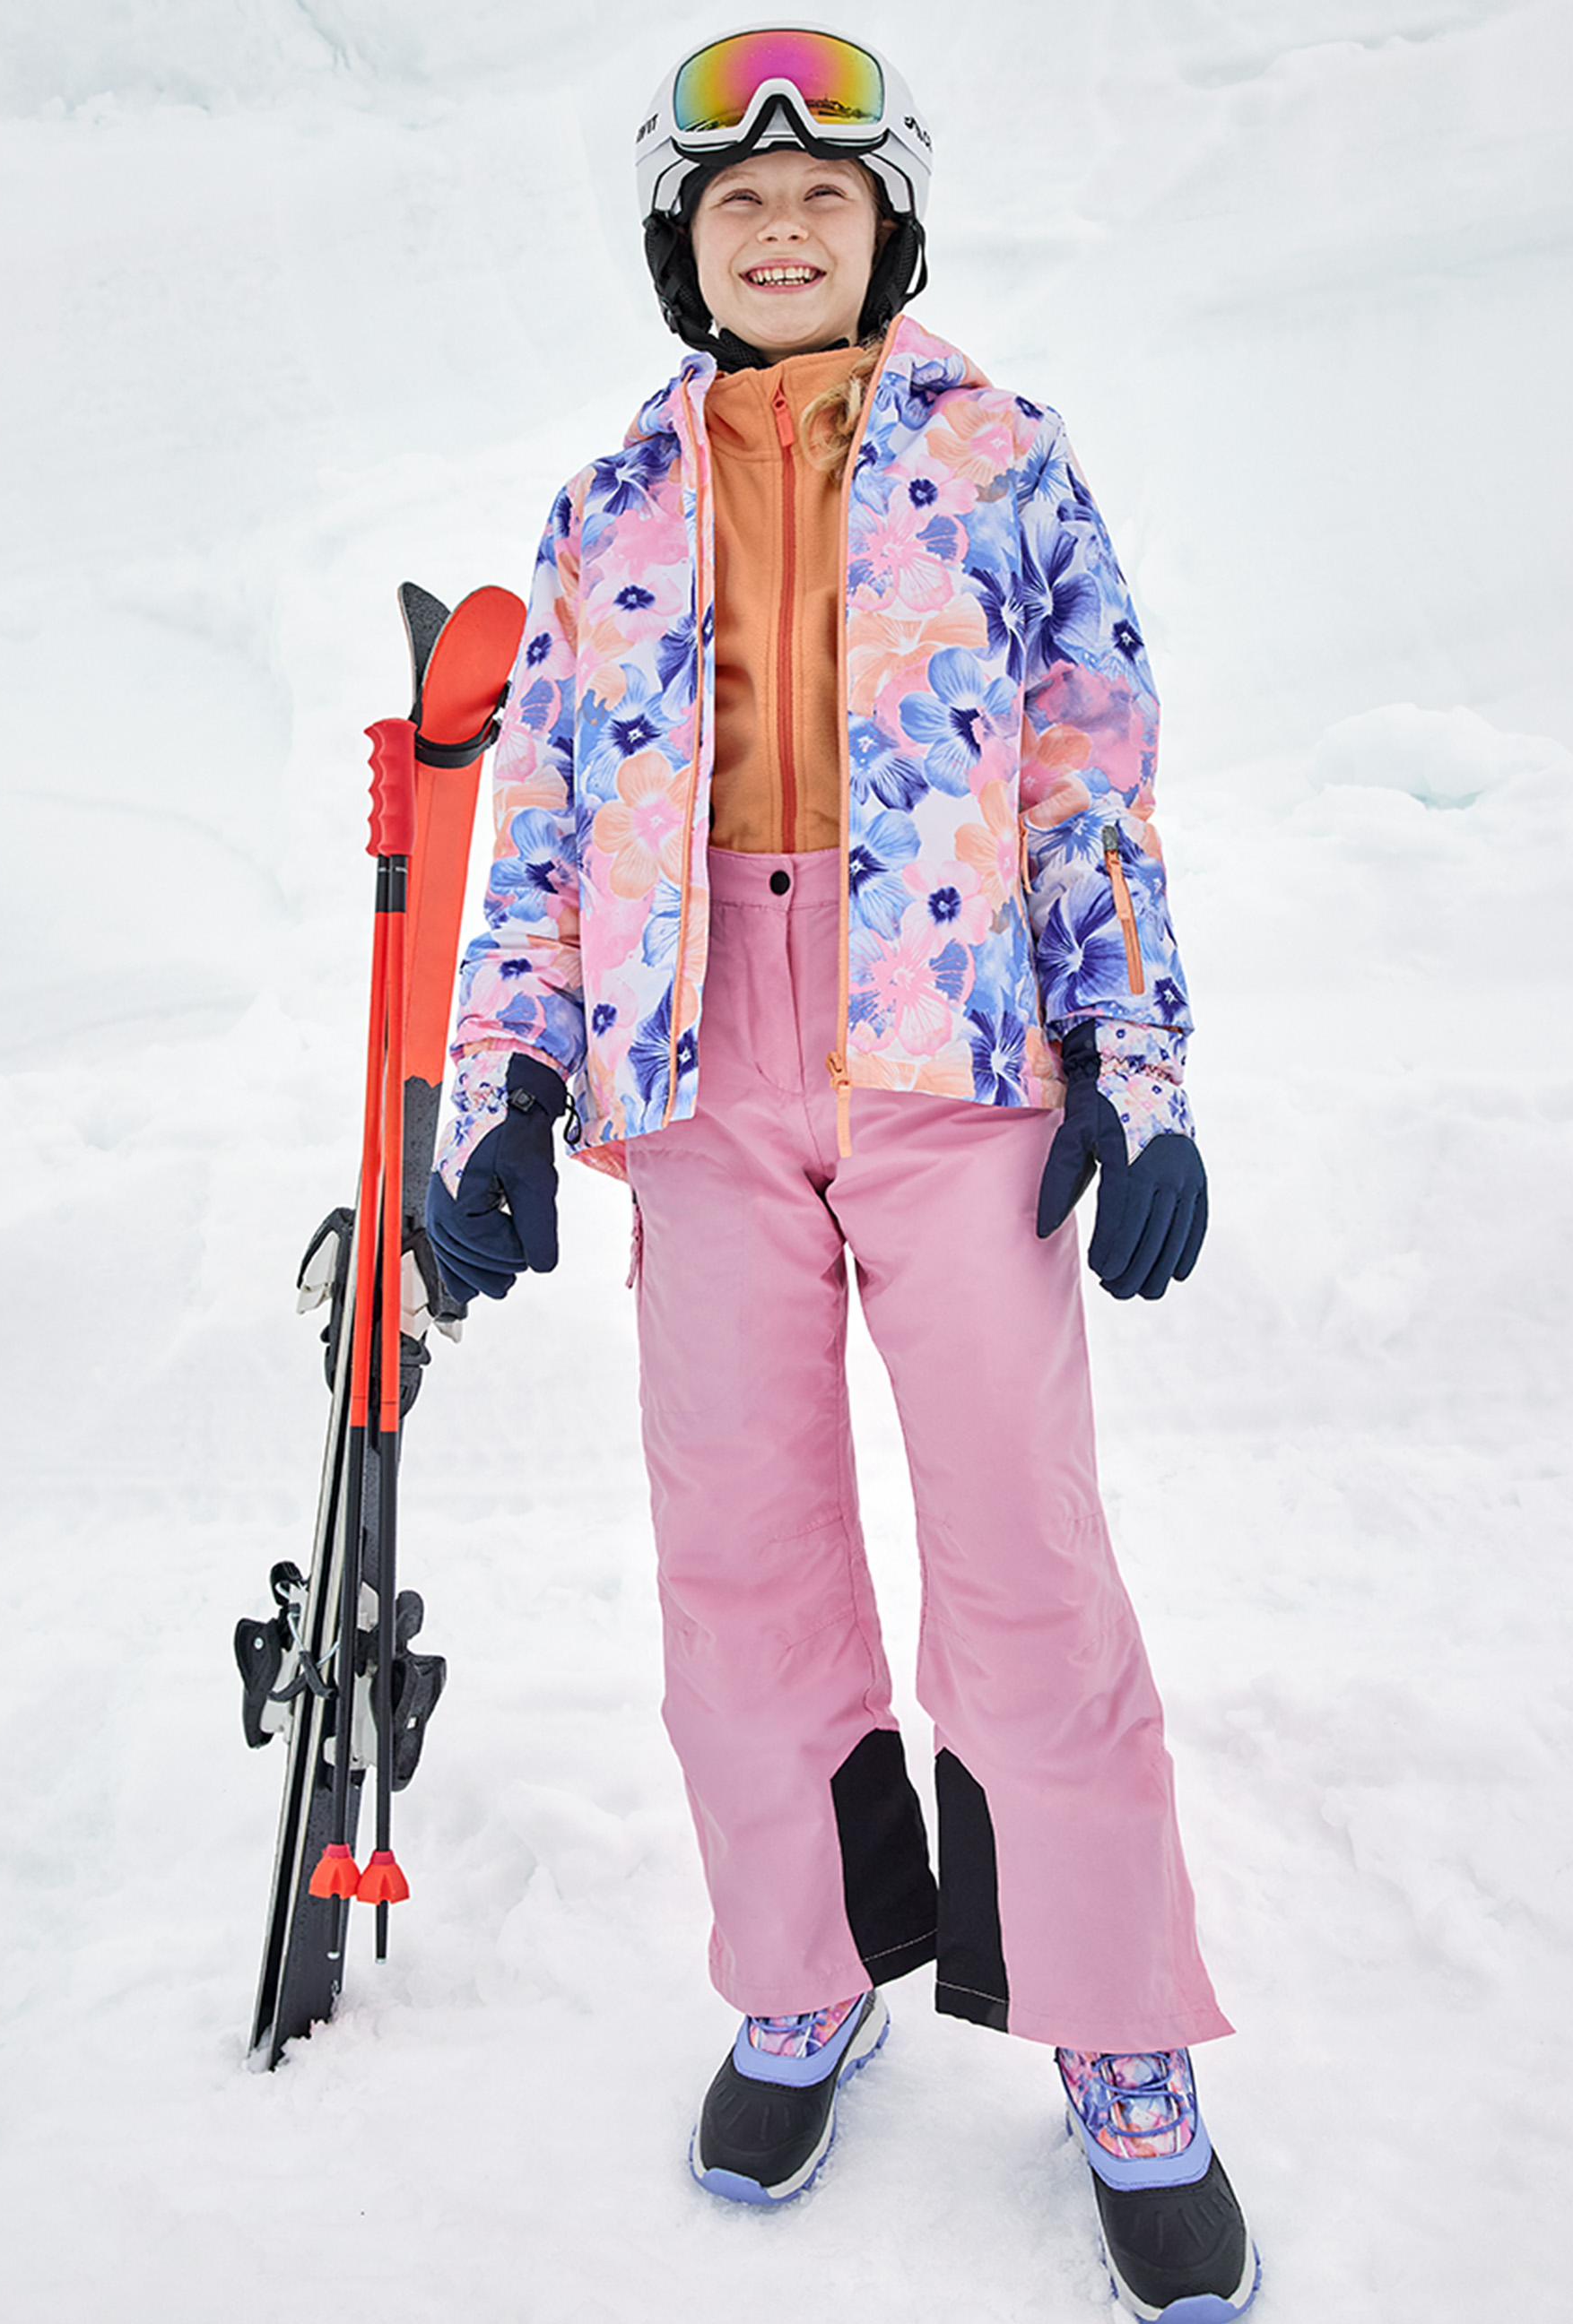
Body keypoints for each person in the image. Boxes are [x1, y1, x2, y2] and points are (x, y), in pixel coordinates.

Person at [427, 26, 1257, 2320]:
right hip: (697, 1061)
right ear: (683, 251)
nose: (777, 226)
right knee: (740, 1550)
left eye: (819, 197)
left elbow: (1092, 775)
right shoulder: (608, 506)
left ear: (889, 223)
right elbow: (548, 828)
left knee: (1024, 1548)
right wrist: (495, 1082)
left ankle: (1116, 2032)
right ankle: (805, 1973)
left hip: (957, 1048)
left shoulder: (1005, 461)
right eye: (730, 208)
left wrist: (1141, 1062)